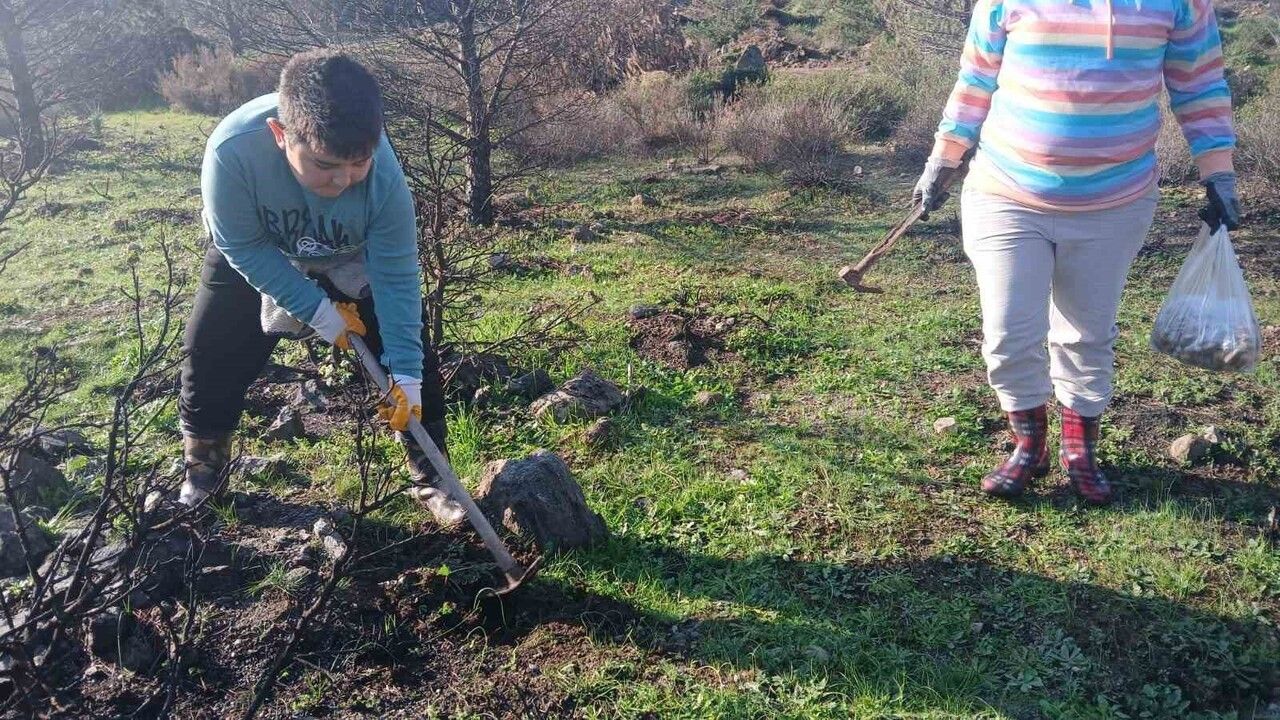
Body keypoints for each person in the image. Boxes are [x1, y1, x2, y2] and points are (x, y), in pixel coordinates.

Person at [915, 0, 1240, 504]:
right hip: (1006, 193)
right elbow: (976, 77)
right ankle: (1029, 443)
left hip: (1115, 201)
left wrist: (1217, 172)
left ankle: (1079, 449)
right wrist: (945, 157)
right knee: (1007, 332)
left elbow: (1199, 87)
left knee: (1086, 334)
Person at [177, 49, 464, 524]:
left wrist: (406, 373)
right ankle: (204, 471)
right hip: (263, 249)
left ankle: (433, 474)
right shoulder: (231, 153)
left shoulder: (383, 180)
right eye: (325, 164)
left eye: (357, 164)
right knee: (210, 350)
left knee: (412, 355)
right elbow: (243, 247)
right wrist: (317, 310)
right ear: (280, 135)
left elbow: (395, 275)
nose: (343, 180)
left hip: (350, 254)